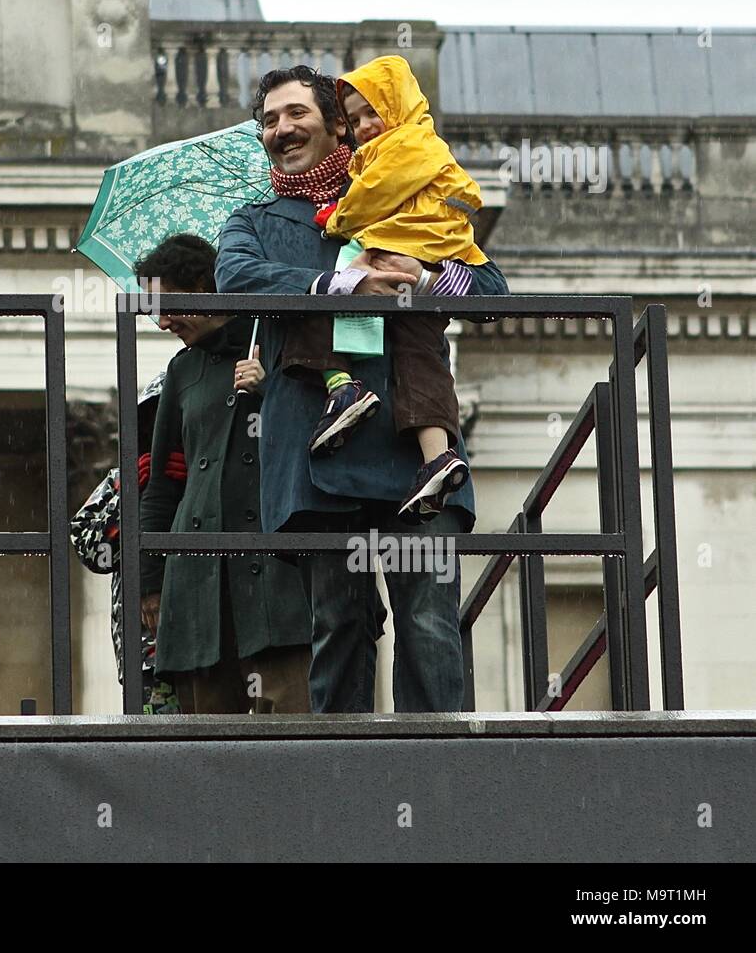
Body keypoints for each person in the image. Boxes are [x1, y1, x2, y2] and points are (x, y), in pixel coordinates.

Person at [215, 65, 509, 714]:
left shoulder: (403, 189)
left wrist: (427, 278)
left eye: (295, 113)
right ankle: (345, 785)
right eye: (268, 120)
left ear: (336, 121)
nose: (281, 129)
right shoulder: (254, 221)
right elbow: (233, 277)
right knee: (339, 629)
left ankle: (435, 785)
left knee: (431, 629)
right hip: (316, 456)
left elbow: (493, 296)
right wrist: (339, 286)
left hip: (414, 451)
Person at [280, 55, 490, 521]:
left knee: (334, 302)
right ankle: (435, 456)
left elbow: (493, 294)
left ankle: (347, 392)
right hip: (338, 490)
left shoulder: (409, 144)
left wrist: (424, 278)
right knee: (397, 340)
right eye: (354, 120)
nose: (364, 126)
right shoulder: (376, 157)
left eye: (372, 113)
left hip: (417, 251)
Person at [136, 234, 313, 715]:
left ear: (202, 286)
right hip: (198, 580)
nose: (162, 321)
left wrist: (271, 391)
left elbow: (325, 438)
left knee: (297, 733)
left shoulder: (276, 342)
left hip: (277, 576)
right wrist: (150, 582)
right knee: (208, 752)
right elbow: (162, 487)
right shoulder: (180, 372)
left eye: (168, 304)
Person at [69, 372, 184, 713]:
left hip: (207, 647)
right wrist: (134, 493)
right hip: (146, 655)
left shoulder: (210, 471)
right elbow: (89, 548)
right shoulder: (125, 477)